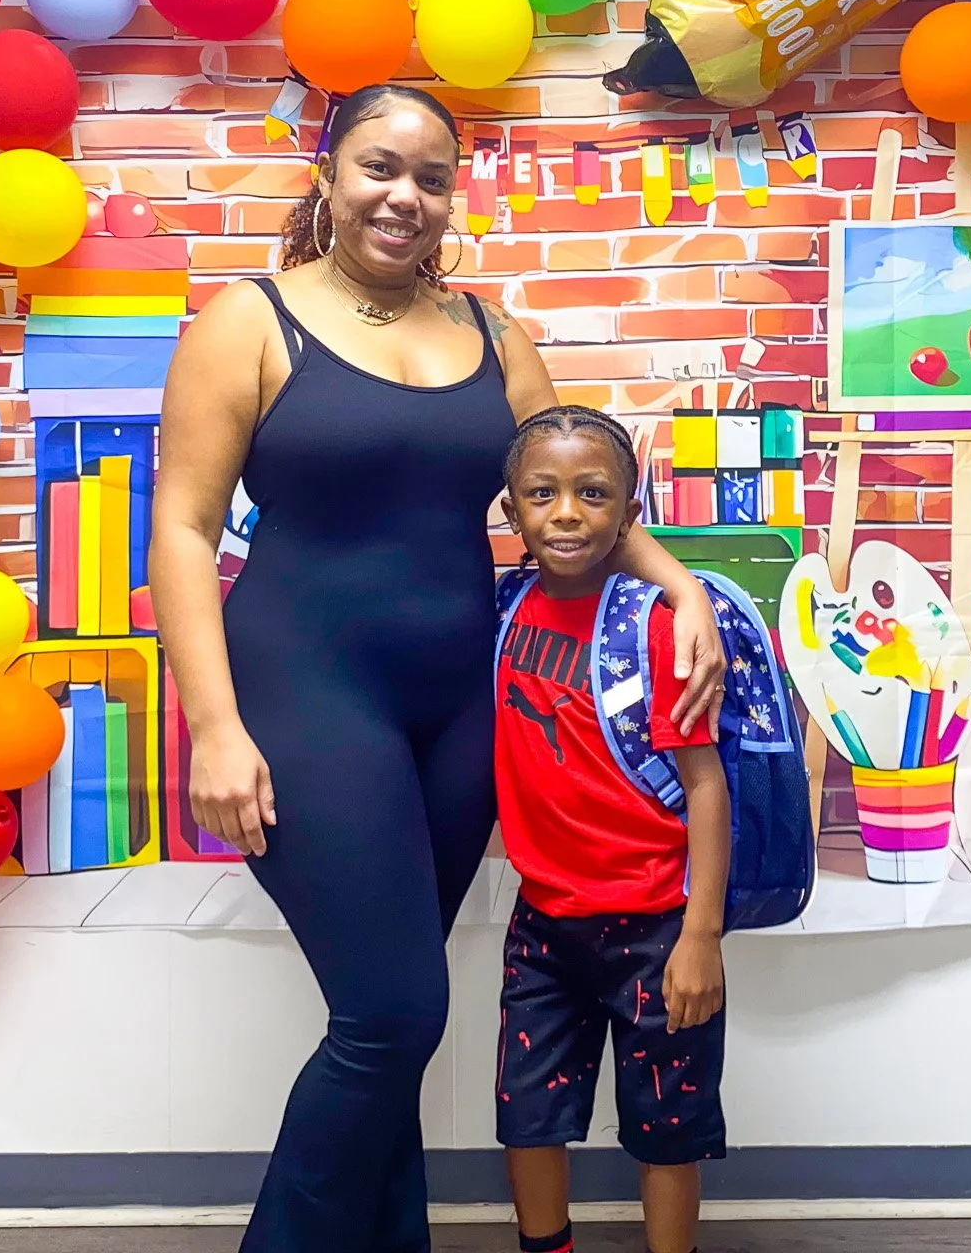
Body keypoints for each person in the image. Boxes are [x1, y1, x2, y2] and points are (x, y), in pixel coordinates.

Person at [148, 84, 727, 1251]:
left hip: (461, 707)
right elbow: (182, 529)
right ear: (327, 174)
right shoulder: (249, 321)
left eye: (429, 177)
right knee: (391, 1012)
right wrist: (213, 726)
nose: (402, 196)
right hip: (303, 689)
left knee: (398, 1019)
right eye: (378, 167)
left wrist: (681, 587)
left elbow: (576, 486)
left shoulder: (493, 334)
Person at [492, 406, 731, 1253]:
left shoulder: (655, 627)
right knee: (528, 1116)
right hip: (543, 923)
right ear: (512, 509)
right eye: (542, 494)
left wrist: (701, 936)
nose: (566, 513)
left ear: (629, 513)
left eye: (592, 494)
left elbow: (705, 786)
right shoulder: (502, 611)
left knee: (667, 1130)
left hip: (657, 928)